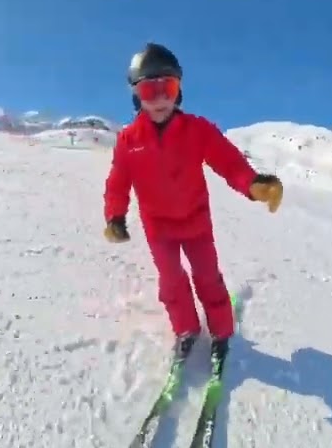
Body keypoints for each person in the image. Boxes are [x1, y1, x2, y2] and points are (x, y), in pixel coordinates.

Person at [102, 42, 284, 361]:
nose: (160, 98)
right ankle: (186, 328)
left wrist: (254, 185)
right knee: (171, 280)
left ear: (179, 90)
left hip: (195, 222)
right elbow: (118, 182)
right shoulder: (128, 142)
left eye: (167, 87)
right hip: (158, 227)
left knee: (207, 276)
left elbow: (229, 163)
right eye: (149, 91)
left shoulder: (197, 130)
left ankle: (222, 332)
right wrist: (115, 216)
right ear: (136, 95)